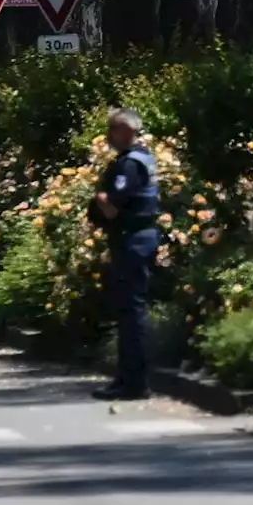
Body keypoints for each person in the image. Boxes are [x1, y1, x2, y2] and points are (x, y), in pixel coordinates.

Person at [90, 108, 160, 401]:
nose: (109, 135)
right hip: (133, 240)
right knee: (127, 310)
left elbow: (113, 206)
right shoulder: (139, 158)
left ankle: (134, 383)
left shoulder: (130, 164)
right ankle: (126, 378)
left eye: (113, 128)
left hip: (133, 241)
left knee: (132, 312)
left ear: (127, 131)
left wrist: (101, 198)